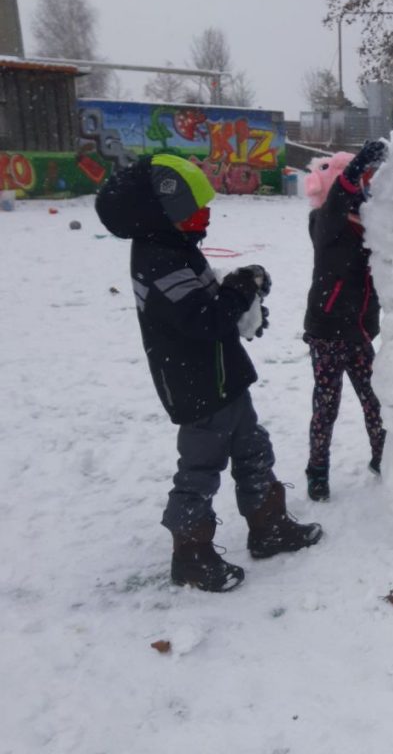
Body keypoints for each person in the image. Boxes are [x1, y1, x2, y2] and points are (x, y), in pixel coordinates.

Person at [95, 154, 322, 593]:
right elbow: (203, 320)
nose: (208, 214)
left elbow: (214, 306)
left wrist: (244, 303)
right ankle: (191, 554)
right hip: (197, 387)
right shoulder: (159, 261)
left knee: (255, 451)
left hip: (225, 378)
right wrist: (239, 291)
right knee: (200, 470)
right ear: (164, 212)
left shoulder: (177, 249)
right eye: (197, 208)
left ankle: (268, 526)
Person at [303, 141, 388, 501]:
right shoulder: (326, 224)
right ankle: (317, 472)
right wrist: (353, 170)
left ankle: (384, 459)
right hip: (326, 334)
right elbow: (339, 198)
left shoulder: (366, 228)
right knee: (326, 407)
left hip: (358, 333)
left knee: (374, 401)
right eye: (358, 184)